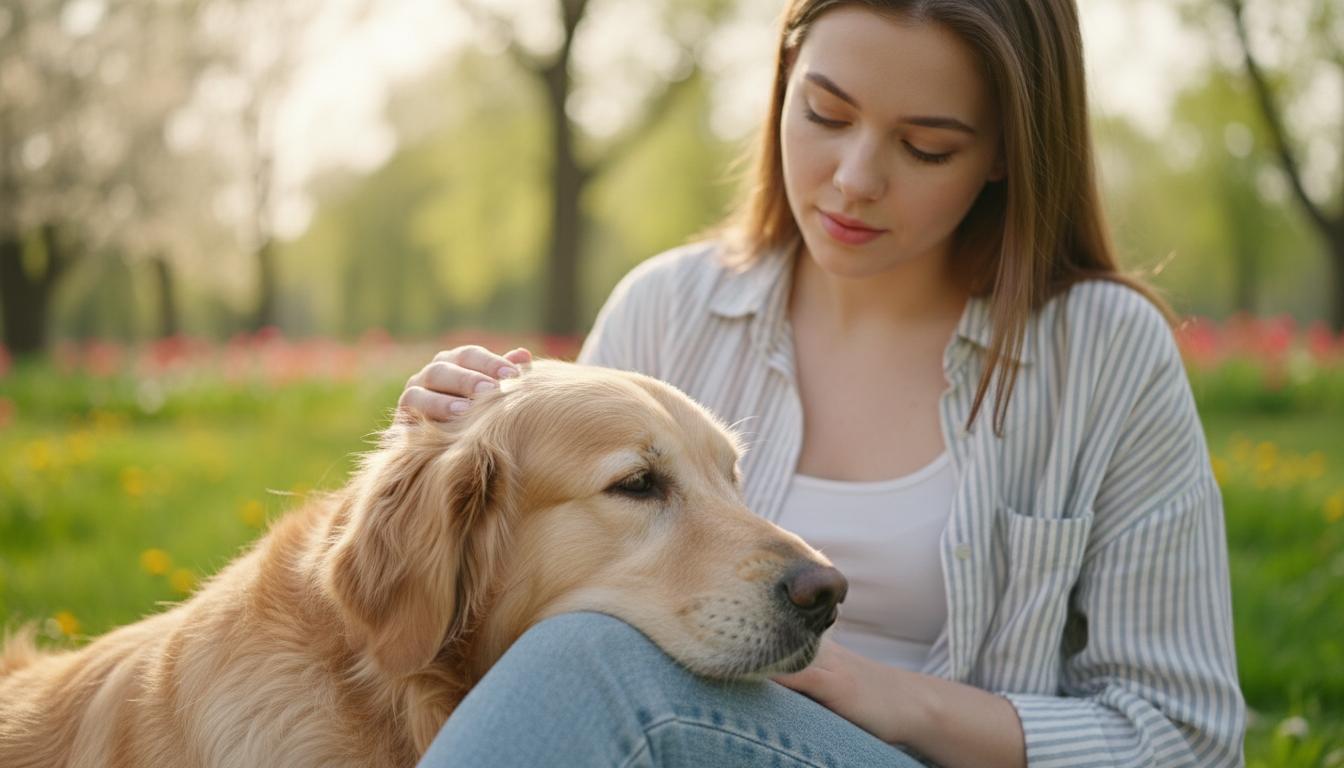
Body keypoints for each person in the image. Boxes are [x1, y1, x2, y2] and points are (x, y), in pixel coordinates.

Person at [399, 0, 1246, 765]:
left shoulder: (1103, 351)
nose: (854, 179)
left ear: (1003, 155)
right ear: (781, 86)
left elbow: (1186, 738)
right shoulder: (665, 307)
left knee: (589, 661)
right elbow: (501, 613)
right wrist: (441, 454)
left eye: (927, 147)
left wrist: (892, 700)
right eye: (824, 113)